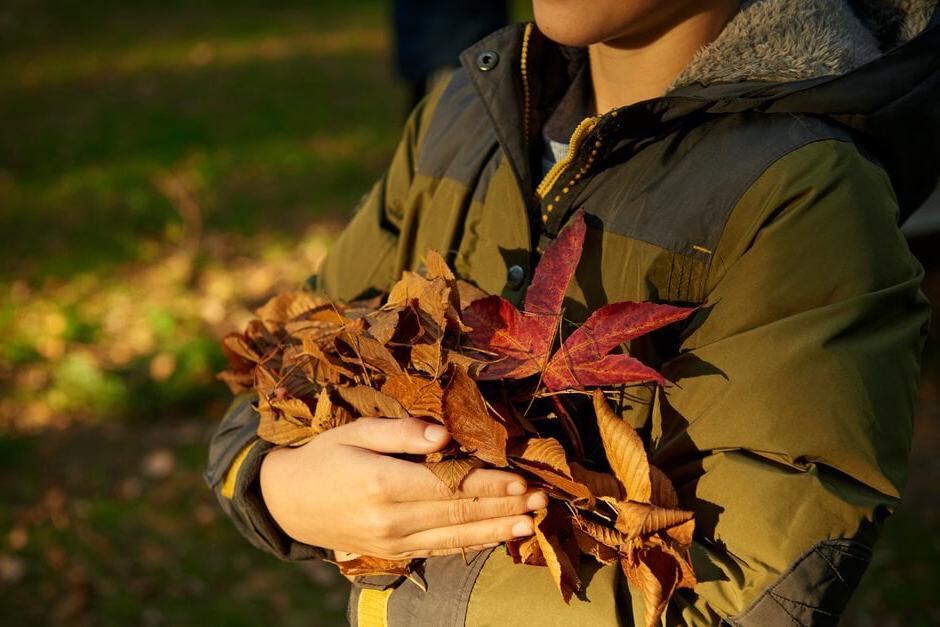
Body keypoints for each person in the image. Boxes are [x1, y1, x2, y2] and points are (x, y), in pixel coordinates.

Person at [205, 1, 939, 624]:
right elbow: (278, 365)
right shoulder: (465, 115)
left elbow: (751, 594)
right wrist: (276, 484)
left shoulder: (803, 193)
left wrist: (393, 595)